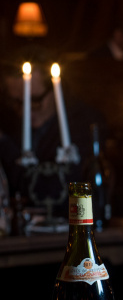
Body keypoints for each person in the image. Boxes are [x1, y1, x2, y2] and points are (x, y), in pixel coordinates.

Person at [0, 50, 105, 203]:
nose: (25, 111)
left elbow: (61, 191)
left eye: (34, 101)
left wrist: (5, 144)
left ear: (55, 90)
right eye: (17, 102)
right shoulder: (9, 122)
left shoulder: (83, 124)